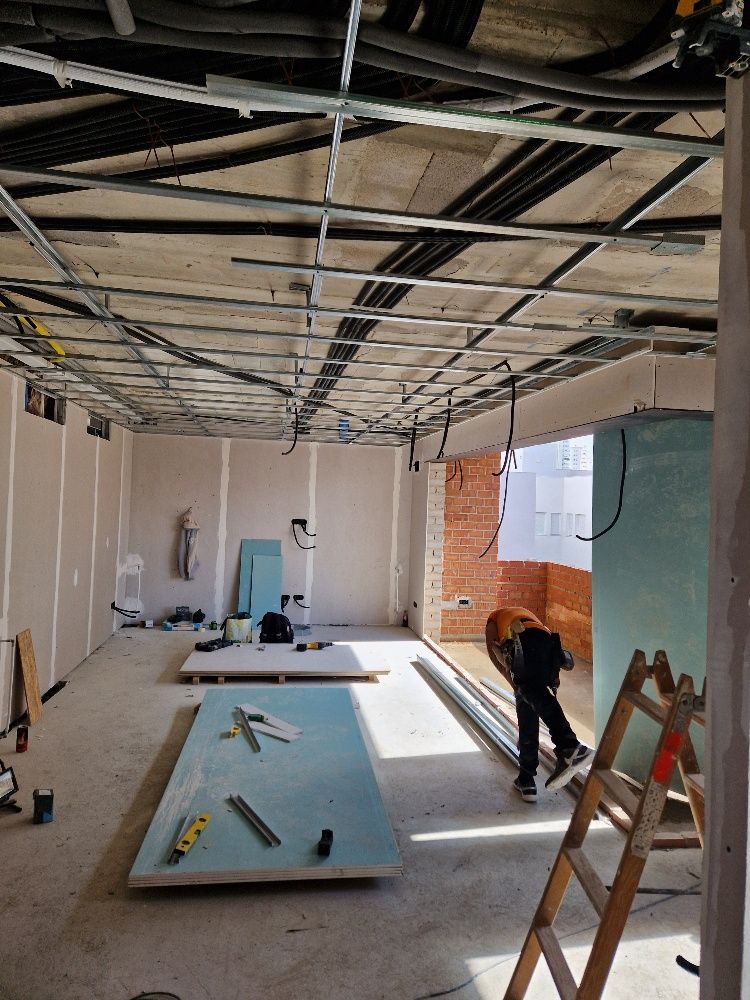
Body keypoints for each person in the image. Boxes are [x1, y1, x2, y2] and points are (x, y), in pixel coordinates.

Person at [485, 606, 594, 803]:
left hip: (523, 644)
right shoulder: (524, 614)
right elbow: (543, 646)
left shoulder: (493, 621)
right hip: (548, 646)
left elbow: (494, 655)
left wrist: (514, 684)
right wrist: (551, 678)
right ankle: (527, 780)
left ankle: (568, 747)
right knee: (533, 701)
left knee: (528, 693)